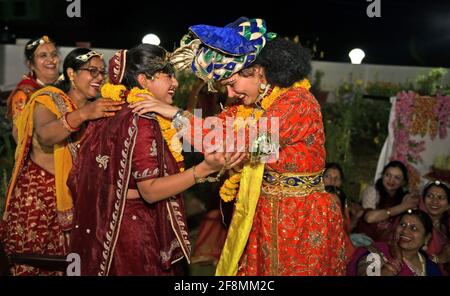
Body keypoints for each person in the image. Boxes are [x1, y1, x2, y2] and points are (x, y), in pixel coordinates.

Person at [130, 17, 353, 275]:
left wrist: (174, 113)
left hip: (301, 219)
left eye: (231, 84)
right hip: (263, 212)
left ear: (257, 71)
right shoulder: (251, 106)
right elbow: (214, 131)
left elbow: (240, 144)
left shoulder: (297, 103)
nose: (231, 95)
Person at [68, 44, 243, 276]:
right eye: (168, 75)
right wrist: (202, 170)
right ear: (143, 80)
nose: (176, 83)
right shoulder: (144, 119)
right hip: (136, 231)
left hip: (109, 225)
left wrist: (175, 113)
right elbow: (149, 190)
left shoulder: (112, 109)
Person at [0, 48, 123, 275]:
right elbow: (46, 135)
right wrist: (84, 114)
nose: (98, 77)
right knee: (31, 265)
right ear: (71, 74)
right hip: (39, 202)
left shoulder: (96, 110)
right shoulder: (48, 100)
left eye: (101, 72)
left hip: (74, 201)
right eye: (91, 71)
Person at [347, 209, 441, 276]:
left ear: (426, 238)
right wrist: (394, 264)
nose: (405, 231)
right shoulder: (375, 254)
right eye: (402, 225)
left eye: (413, 228)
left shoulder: (431, 268)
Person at [6, 36, 60, 142]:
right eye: (43, 55)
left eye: (54, 54)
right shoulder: (24, 93)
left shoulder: (64, 85)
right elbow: (19, 135)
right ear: (30, 65)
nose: (51, 60)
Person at [357, 160, 419, 242]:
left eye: (396, 177)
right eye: (388, 175)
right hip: (365, 239)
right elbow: (369, 218)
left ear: (403, 182)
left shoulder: (404, 196)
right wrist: (402, 207)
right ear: (382, 176)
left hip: (390, 242)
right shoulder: (373, 191)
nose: (391, 180)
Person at [421, 180, 450, 275]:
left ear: (448, 205)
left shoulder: (445, 227)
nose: (434, 201)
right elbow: (408, 257)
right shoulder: (415, 223)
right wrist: (439, 259)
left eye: (441, 197)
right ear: (423, 199)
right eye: (430, 196)